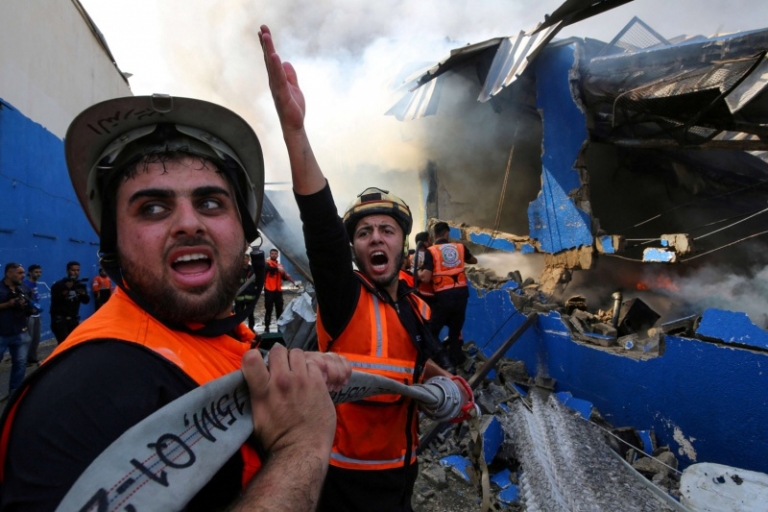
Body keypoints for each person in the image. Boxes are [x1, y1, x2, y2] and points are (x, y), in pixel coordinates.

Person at [0, 94, 350, 510]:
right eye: (152, 207)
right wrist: (300, 448)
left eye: (209, 203)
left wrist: (290, 381)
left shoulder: (214, 337)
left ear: (245, 232)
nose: (188, 223)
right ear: (114, 243)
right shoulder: (81, 399)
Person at [260, 25, 473, 511]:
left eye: (387, 230)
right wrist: (295, 132)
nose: (376, 237)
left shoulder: (418, 308)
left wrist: (448, 385)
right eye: (364, 232)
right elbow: (321, 228)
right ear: (354, 248)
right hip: (340, 480)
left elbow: (413, 364)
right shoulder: (344, 298)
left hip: (401, 474)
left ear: (403, 243)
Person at [420, 221, 477, 366]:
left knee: (432, 331)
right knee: (455, 331)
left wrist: (418, 273)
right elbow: (474, 260)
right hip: (461, 295)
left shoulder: (431, 251)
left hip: (443, 296)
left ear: (434, 236)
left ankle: (441, 360)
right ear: (447, 234)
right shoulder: (460, 247)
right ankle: (456, 361)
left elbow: (425, 278)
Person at [0, 263, 34, 396]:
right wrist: (7, 304)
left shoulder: (25, 288)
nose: (23, 275)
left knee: (20, 363)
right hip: (2, 332)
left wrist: (28, 307)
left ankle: (15, 394)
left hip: (20, 332)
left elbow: (30, 307)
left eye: (23, 272)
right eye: (19, 273)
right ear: (9, 273)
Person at [49, 261, 90, 343]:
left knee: (74, 343)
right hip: (60, 320)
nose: (76, 272)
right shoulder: (59, 285)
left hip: (73, 319)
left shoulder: (80, 285)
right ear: (68, 271)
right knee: (64, 343)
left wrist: (82, 294)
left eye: (78, 270)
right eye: (73, 270)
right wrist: (66, 289)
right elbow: (56, 301)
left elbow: (86, 301)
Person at [263, 248, 296, 333]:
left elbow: (283, 278)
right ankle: (267, 328)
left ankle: (279, 328)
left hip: (278, 291)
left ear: (277, 255)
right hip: (269, 290)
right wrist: (277, 269)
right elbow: (267, 268)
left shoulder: (280, 265)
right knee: (268, 309)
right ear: (270, 255)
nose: (274, 255)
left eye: (275, 254)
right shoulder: (267, 263)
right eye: (272, 253)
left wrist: (286, 276)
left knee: (279, 310)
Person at [22, 264, 42, 365]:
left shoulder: (35, 284)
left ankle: (32, 357)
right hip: (29, 316)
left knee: (36, 339)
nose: (38, 274)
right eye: (36, 272)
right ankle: (24, 360)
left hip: (37, 314)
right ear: (30, 273)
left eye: (40, 272)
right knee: (28, 339)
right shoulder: (25, 284)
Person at [235, 252, 259, 330]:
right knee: (238, 315)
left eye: (246, 258)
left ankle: (251, 328)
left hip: (250, 296)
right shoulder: (237, 270)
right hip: (239, 297)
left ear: (249, 259)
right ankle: (239, 329)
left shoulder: (253, 270)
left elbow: (257, 282)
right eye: (243, 259)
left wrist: (255, 292)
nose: (244, 260)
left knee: (250, 314)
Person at [413, 231, 435, 306]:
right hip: (426, 293)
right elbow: (422, 277)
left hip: (420, 292)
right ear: (425, 243)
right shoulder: (424, 256)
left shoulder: (415, 256)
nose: (432, 242)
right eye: (430, 240)